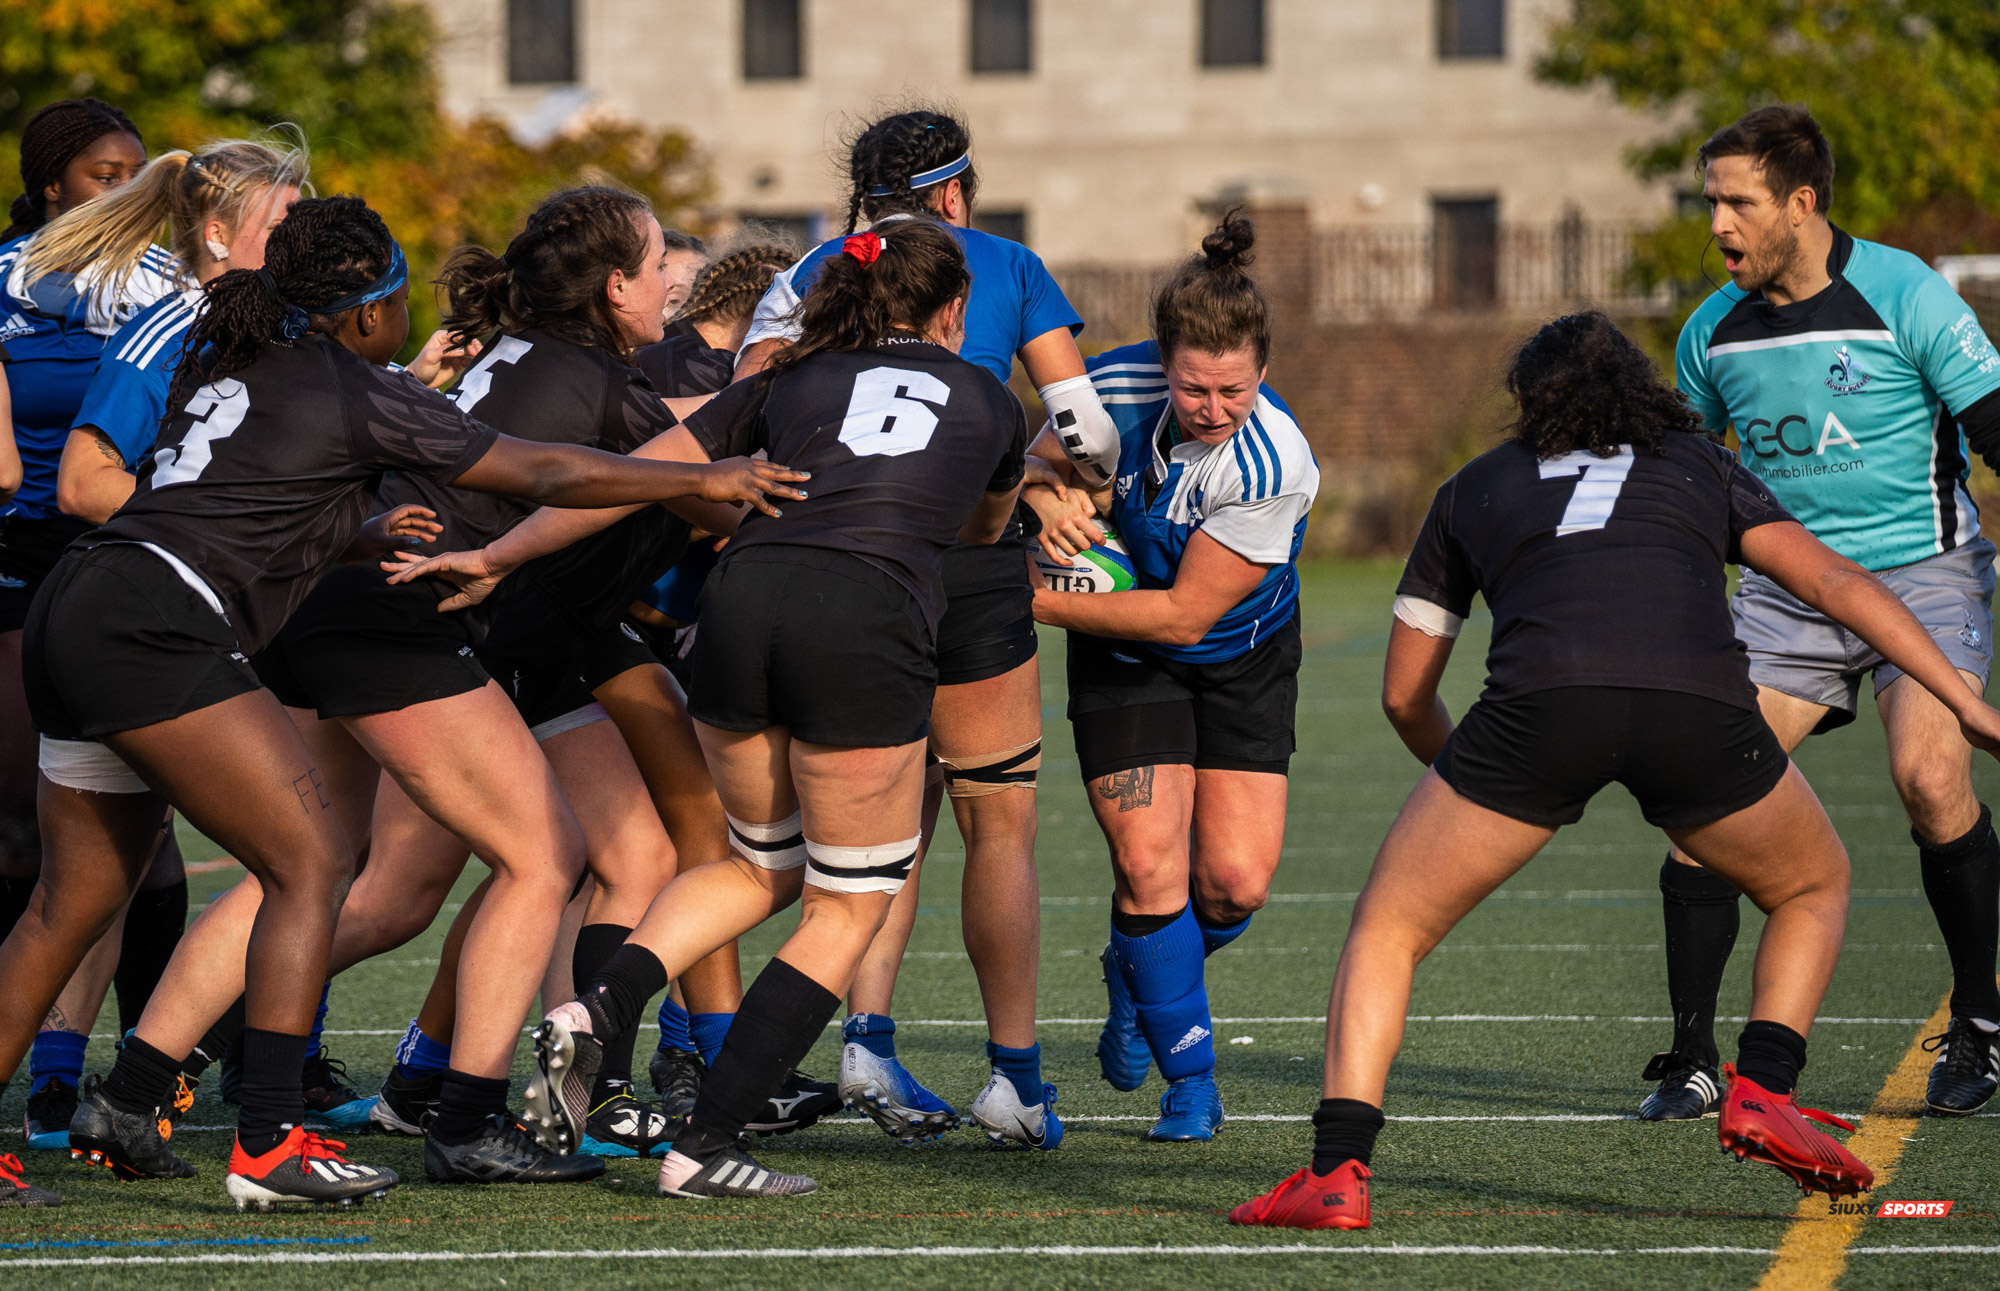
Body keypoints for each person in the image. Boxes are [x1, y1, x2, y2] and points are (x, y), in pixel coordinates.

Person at [0, 193, 804, 1209]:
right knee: (448, 860)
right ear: (369, 311)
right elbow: (547, 469)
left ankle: (135, 1092)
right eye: (652, 269)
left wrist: (353, 537)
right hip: (218, 622)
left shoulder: (232, 352)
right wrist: (720, 465)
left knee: (81, 903)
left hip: (83, 601)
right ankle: (394, 1127)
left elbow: (236, 494)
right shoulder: (362, 383)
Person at [1227, 311, 2000, 1229]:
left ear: (1527, 404)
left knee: (1387, 932)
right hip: (1694, 705)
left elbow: (1404, 695)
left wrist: (1486, 788)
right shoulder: (1699, 463)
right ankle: (1764, 1087)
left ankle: (1336, 1173)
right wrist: (1966, 705)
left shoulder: (1473, 485)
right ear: (1642, 393)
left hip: (1538, 712)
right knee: (1813, 884)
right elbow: (1839, 584)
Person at [394, 217, 1025, 1197]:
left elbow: (638, 479)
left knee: (754, 864)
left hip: (742, 604)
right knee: (848, 901)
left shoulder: (786, 378)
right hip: (863, 613)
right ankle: (707, 1142)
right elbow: (984, 526)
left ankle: (591, 1013)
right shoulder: (988, 395)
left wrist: (496, 554)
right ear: (954, 309)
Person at [736, 107, 1114, 1147]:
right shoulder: (1006, 263)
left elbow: (745, 403)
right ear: (953, 192)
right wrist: (1052, 483)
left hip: (831, 556)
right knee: (999, 819)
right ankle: (1015, 1080)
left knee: (879, 824)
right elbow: (1085, 429)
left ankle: (865, 1040)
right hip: (964, 554)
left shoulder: (813, 265)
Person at [1641, 104, 2000, 1122]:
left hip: (1923, 575)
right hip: (1785, 592)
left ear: (1800, 203)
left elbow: (1994, 426)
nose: (1717, 223)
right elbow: (1685, 482)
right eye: (1711, 201)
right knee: (1702, 805)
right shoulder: (1710, 331)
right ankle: (1692, 1058)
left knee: (1930, 777)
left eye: (1736, 202)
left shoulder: (1905, 292)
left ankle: (1978, 1020)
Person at [1024, 214, 1317, 1143]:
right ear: (1163, 363)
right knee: (1150, 865)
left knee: (1232, 885)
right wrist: (1045, 496)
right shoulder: (1107, 387)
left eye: (1235, 389)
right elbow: (1033, 463)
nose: (1213, 407)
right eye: (1194, 386)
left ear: (1263, 371)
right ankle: (1193, 1083)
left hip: (1235, 652)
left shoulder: (1275, 462)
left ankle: (1135, 969)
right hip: (1122, 651)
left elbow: (1186, 616)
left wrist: (1033, 603)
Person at [0, 100, 164, 1158]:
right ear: (51, 181)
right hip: (17, 571)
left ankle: (114, 1084)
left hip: (125, 569)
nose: (126, 193)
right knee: (30, 839)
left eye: (137, 176)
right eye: (107, 175)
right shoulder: (4, 281)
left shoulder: (165, 285)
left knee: (145, 851)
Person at [627, 242, 796, 1115]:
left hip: (646, 626)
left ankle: (693, 1046)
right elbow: (655, 481)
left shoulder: (679, 365)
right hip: (635, 627)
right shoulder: (702, 375)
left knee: (677, 852)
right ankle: (685, 1051)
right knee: (675, 853)